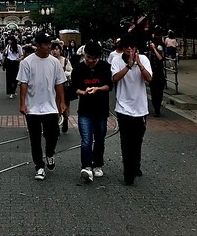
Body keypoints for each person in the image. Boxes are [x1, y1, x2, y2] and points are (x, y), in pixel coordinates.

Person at [17, 32, 67, 181]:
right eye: (46, 44)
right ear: (37, 46)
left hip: (50, 106)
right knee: (35, 138)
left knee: (53, 135)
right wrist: (23, 104)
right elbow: (23, 84)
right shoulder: (26, 62)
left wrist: (62, 102)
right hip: (33, 108)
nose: (49, 47)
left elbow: (59, 83)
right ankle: (39, 166)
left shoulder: (55, 62)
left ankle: (50, 153)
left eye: (50, 44)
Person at [111, 33, 152, 185]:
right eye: (127, 47)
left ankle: (136, 165)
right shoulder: (116, 60)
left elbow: (149, 79)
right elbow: (115, 78)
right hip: (123, 107)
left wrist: (139, 64)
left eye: (132, 47)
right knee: (126, 141)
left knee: (137, 139)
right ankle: (128, 172)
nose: (129, 49)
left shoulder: (144, 60)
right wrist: (128, 65)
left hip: (140, 107)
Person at [71, 40, 112, 182]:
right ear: (84, 55)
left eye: (94, 59)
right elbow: (73, 88)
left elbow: (109, 86)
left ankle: (98, 164)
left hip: (101, 109)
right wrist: (83, 92)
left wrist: (97, 89)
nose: (91, 61)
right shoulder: (79, 69)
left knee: (100, 138)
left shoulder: (105, 67)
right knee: (87, 139)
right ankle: (86, 166)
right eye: (88, 58)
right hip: (85, 109)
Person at [50, 41, 73, 132]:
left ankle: (65, 120)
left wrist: (63, 74)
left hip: (64, 87)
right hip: (52, 88)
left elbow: (71, 72)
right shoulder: (49, 60)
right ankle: (56, 126)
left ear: (60, 50)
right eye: (53, 50)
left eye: (56, 49)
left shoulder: (65, 61)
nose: (54, 52)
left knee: (65, 105)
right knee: (55, 106)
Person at [147, 31, 166, 117]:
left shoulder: (160, 48)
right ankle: (156, 109)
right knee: (153, 93)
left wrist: (155, 49)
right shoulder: (150, 52)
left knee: (159, 93)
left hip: (159, 75)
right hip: (153, 75)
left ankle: (158, 107)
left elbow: (160, 58)